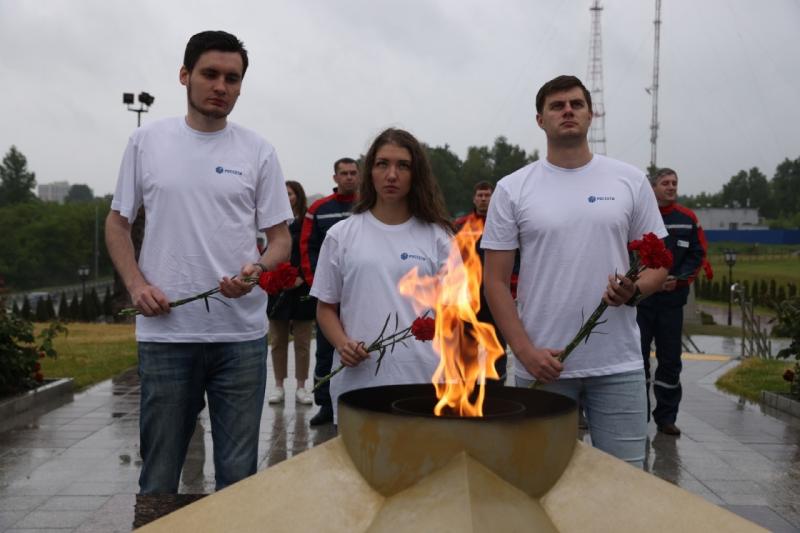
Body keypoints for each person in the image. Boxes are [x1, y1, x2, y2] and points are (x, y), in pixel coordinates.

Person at [105, 30, 292, 494]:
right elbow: (117, 223)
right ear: (185, 76)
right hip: (167, 333)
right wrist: (136, 285)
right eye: (210, 74)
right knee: (160, 475)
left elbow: (280, 239)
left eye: (232, 78)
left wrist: (257, 271)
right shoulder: (147, 141)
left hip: (241, 338)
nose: (221, 86)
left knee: (238, 478)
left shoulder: (258, 151)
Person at [482, 75, 668, 468]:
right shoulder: (513, 188)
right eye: (556, 105)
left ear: (591, 113)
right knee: (538, 479)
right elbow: (495, 281)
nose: (567, 111)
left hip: (617, 363)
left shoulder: (629, 180)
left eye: (576, 104)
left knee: (626, 480)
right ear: (540, 120)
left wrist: (634, 291)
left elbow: (659, 263)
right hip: (544, 361)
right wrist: (525, 351)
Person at [310, 128, 454, 425]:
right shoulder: (342, 235)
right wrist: (342, 344)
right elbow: (325, 307)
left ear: (417, 174)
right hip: (359, 385)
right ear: (370, 172)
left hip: (424, 381)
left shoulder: (439, 237)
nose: (392, 174)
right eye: (382, 164)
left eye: (403, 165)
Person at [637, 168, 710, 436]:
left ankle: (666, 417)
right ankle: (638, 413)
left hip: (671, 304)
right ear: (652, 187)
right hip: (641, 304)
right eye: (665, 183)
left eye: (674, 183)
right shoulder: (641, 215)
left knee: (670, 361)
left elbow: (698, 255)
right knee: (637, 359)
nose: (671, 187)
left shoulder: (687, 219)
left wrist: (677, 279)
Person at [300, 158, 360, 425]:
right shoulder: (318, 209)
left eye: (353, 173)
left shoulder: (367, 208)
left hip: (359, 294)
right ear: (334, 178)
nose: (349, 177)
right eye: (343, 174)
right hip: (329, 295)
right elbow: (307, 247)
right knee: (325, 352)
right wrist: (318, 285)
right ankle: (324, 403)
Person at [454, 181, 520, 385]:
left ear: (493, 198)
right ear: (474, 198)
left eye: (487, 196)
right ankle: (467, 389)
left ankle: (497, 386)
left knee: (497, 346)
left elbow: (516, 260)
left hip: (496, 298)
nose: (483, 199)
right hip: (468, 298)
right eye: (480, 195)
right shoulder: (460, 225)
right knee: (467, 347)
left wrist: (513, 288)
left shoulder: (503, 224)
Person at [267, 181, 316, 405]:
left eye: (290, 194)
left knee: (303, 340)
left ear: (298, 196)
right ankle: (278, 385)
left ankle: (301, 386)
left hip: (302, 286)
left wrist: (302, 278)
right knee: (277, 339)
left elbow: (312, 251)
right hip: (278, 288)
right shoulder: (272, 221)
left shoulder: (307, 221)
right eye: (283, 193)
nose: (287, 198)